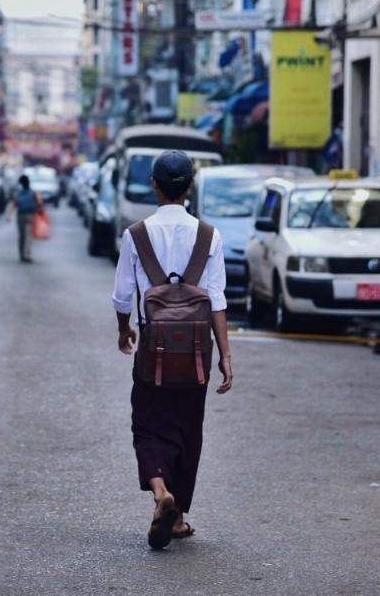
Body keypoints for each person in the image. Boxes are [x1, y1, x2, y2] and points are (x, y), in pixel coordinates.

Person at [111, 150, 233, 550]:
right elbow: (216, 299)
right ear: (191, 186)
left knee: (148, 425)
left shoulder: (136, 235)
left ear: (154, 185)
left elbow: (122, 296)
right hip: (196, 352)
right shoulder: (209, 236)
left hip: (154, 351)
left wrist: (123, 330)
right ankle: (177, 517)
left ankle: (161, 491)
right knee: (188, 429)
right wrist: (225, 357)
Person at [8, 175, 42, 263]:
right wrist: (39, 210)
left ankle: (21, 255)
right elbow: (39, 202)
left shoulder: (18, 193)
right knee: (28, 235)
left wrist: (10, 216)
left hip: (20, 215)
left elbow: (13, 204)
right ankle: (27, 254)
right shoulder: (33, 192)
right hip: (30, 215)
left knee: (21, 236)